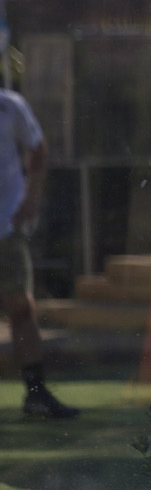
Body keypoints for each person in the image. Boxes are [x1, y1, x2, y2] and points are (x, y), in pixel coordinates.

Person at [1, 88, 77, 419]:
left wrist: (31, 200)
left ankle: (35, 393)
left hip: (5, 226)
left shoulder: (10, 105)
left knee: (21, 306)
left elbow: (38, 149)